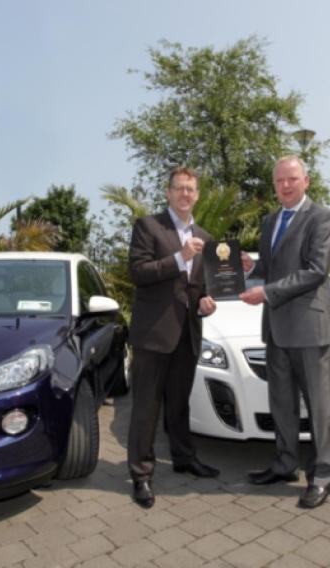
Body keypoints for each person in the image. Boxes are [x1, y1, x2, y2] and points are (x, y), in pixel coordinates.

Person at [239, 155, 330, 509]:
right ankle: (284, 464)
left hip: (309, 328)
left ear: (306, 181)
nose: (285, 185)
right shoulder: (270, 221)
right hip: (276, 329)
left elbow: (315, 270)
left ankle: (324, 474)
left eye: (292, 179)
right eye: (279, 180)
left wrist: (265, 292)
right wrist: (253, 266)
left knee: (319, 406)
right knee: (281, 403)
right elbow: (270, 267)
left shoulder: (322, 217)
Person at [126, 166, 219, 509]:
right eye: (179, 188)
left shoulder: (206, 237)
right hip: (153, 334)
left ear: (197, 195)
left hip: (187, 333)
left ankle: (184, 458)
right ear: (168, 192)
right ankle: (141, 474)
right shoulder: (149, 227)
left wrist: (206, 302)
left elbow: (200, 289)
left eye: (191, 190)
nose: (185, 195)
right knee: (146, 408)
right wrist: (180, 257)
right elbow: (138, 272)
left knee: (179, 403)